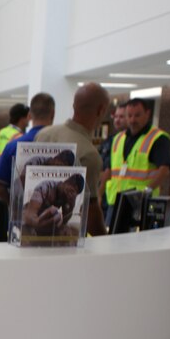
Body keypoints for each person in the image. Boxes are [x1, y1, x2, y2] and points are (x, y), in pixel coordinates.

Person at [33, 83, 110, 236]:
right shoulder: (89, 154)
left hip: (32, 230)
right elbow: (90, 209)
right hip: (61, 239)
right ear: (101, 110)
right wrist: (105, 240)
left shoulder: (44, 134)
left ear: (74, 106)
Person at [105, 98, 170, 220]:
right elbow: (110, 169)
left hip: (140, 203)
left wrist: (146, 191)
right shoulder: (118, 138)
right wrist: (99, 194)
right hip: (114, 201)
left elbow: (164, 170)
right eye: (129, 115)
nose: (132, 120)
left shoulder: (158, 138)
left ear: (147, 114)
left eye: (137, 115)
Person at [0, 92, 56, 202]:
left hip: (18, 214)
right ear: (53, 114)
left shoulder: (13, 145)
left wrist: (15, 208)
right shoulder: (63, 146)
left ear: (29, 115)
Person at [21, 173, 86, 236]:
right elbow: (29, 215)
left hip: (43, 222)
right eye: (71, 190)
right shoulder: (45, 187)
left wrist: (71, 205)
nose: (70, 195)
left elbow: (64, 221)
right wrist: (38, 224)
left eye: (74, 194)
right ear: (66, 182)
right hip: (29, 218)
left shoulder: (67, 196)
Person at [0, 103, 30, 173]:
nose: (29, 120)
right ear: (22, 119)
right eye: (28, 117)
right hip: (6, 175)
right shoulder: (19, 137)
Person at [98, 104, 127, 200]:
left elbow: (109, 169)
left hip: (114, 193)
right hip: (108, 191)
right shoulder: (111, 140)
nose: (117, 120)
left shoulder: (127, 142)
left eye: (122, 117)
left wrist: (99, 193)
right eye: (116, 116)